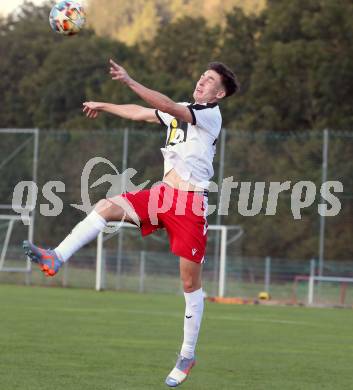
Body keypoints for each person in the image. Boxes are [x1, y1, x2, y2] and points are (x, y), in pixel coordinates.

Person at [23, 59, 239, 388]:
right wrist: (104, 105)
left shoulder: (209, 115)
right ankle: (56, 257)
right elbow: (140, 112)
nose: (201, 82)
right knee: (106, 207)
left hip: (190, 205)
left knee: (189, 284)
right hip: (163, 195)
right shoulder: (182, 108)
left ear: (220, 93)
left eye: (209, 81)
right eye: (201, 77)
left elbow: (164, 104)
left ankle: (187, 354)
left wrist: (128, 80)